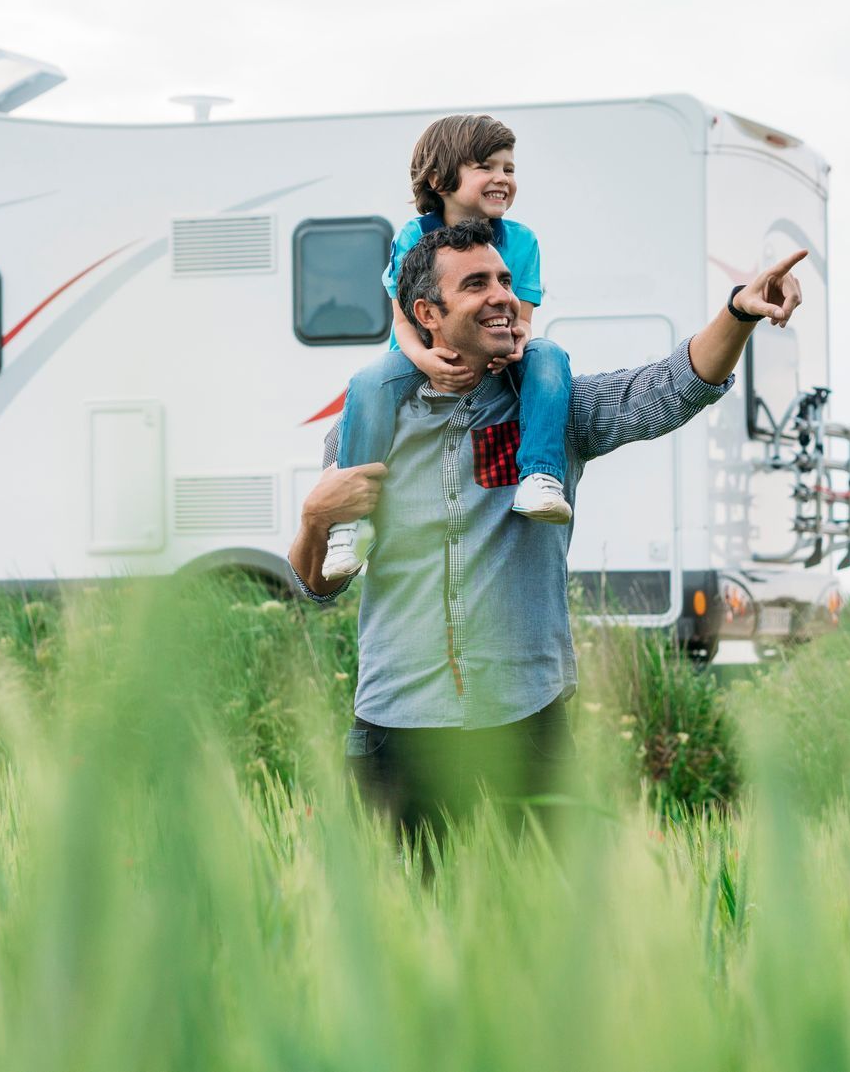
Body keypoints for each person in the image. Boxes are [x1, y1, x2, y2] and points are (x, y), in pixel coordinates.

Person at [289, 221, 807, 851]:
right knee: (399, 927)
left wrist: (738, 314)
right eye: (477, 283)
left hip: (525, 727)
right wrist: (317, 516)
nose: (503, 295)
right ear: (428, 311)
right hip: (393, 731)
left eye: (506, 280)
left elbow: (668, 387)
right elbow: (315, 586)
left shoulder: (550, 408)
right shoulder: (366, 424)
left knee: (537, 935)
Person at [321, 114, 573, 581]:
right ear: (439, 180)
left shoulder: (522, 240)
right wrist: (425, 360)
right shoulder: (413, 236)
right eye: (485, 166)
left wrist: (511, 345)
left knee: (549, 356)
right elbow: (401, 316)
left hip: (494, 353)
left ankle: (539, 475)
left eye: (509, 169)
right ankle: (351, 524)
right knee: (370, 380)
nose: (501, 178)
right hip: (419, 354)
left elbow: (520, 319)